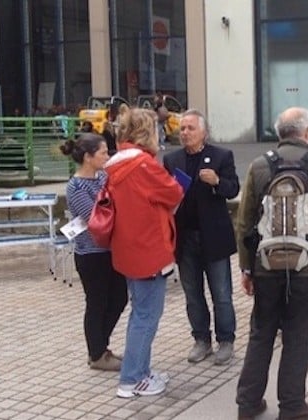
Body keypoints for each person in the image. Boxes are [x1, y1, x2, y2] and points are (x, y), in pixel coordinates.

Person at [235, 107, 308, 420]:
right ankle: (292, 405)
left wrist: (247, 268)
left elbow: (244, 223)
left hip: (265, 266)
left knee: (261, 332)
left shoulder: (259, 166)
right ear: (307, 132)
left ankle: (248, 403)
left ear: (278, 132)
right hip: (304, 267)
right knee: (298, 335)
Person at [106, 108, 183, 398]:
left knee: (140, 313)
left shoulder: (114, 165)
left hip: (128, 249)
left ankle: (141, 371)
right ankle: (132, 379)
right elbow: (174, 193)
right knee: (146, 316)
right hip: (150, 249)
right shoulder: (144, 165)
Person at [162, 109, 240, 365]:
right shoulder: (172, 159)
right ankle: (201, 339)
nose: (185, 133)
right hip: (185, 239)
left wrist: (217, 181)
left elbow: (233, 189)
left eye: (190, 128)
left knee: (221, 292)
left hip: (214, 237)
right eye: (182, 129)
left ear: (204, 132)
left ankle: (226, 340)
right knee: (192, 293)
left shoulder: (221, 156)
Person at [60, 133, 127, 371]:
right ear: (88, 157)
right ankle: (96, 353)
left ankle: (101, 346)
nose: (107, 157)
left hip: (111, 250)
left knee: (119, 298)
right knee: (97, 302)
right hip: (91, 253)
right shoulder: (76, 186)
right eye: (102, 153)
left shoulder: (103, 177)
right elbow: (96, 218)